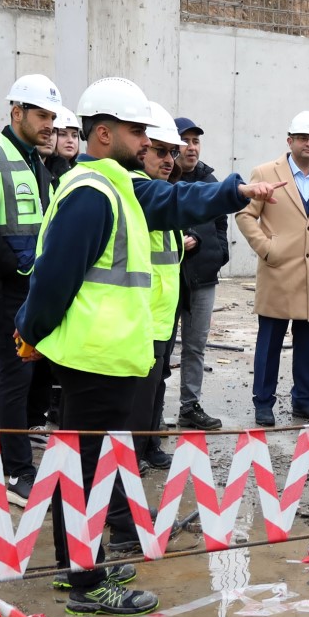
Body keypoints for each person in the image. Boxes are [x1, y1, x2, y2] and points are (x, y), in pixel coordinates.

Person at [15, 76, 272, 617]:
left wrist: (234, 191)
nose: (148, 142)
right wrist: (30, 329)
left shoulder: (118, 185)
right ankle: (87, 581)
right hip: (95, 356)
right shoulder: (91, 195)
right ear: (104, 134)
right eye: (137, 131)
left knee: (83, 463)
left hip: (108, 355)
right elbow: (53, 277)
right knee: (85, 469)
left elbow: (177, 199)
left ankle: (78, 566)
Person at [0, 73, 63, 495]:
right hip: (4, 286)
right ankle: (17, 469)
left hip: (26, 283)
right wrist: (15, 268)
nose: (49, 126)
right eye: (42, 115)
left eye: (53, 119)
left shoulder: (34, 161)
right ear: (17, 111)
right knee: (15, 373)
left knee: (6, 369)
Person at [236, 111, 309, 426]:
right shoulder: (265, 173)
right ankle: (263, 402)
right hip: (278, 272)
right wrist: (267, 248)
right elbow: (245, 216)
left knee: (307, 342)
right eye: (303, 138)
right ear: (290, 140)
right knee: (270, 341)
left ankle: (303, 399)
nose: (308, 144)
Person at [130, 104, 187, 472]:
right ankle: (131, 454)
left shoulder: (163, 192)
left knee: (156, 384)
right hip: (141, 314)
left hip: (164, 313)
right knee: (138, 391)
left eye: (173, 153)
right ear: (143, 150)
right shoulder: (139, 193)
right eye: (161, 151)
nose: (168, 160)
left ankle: (150, 444)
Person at [173, 115, 229, 431]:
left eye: (195, 141)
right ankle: (150, 410)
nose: (191, 147)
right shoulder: (163, 180)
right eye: (185, 140)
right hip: (169, 279)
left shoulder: (211, 183)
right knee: (160, 348)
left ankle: (189, 407)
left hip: (203, 279)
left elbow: (220, 224)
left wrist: (217, 251)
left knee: (195, 346)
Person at [45, 106, 81, 182]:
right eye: (63, 134)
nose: (70, 140)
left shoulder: (82, 169)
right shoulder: (43, 170)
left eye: (74, 135)